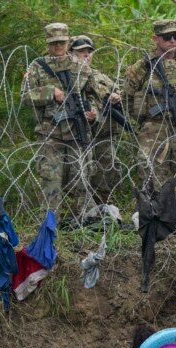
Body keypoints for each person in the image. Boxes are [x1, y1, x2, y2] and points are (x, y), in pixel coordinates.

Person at [21, 23, 101, 217]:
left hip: (77, 131)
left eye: (62, 42)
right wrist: (50, 92)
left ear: (68, 41)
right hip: (51, 133)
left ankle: (83, 222)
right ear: (48, 43)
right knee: (51, 182)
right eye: (54, 43)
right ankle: (49, 226)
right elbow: (25, 96)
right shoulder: (37, 67)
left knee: (81, 178)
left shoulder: (81, 67)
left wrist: (93, 112)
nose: (58, 46)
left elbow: (94, 96)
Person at [123, 20, 176, 199]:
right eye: (167, 37)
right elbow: (127, 96)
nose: (172, 41)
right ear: (155, 38)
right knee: (149, 169)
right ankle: (154, 212)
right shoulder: (143, 66)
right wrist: (141, 117)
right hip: (154, 127)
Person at [69, 35, 127, 205]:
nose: (86, 55)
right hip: (78, 137)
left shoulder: (100, 77)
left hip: (103, 136)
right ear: (71, 53)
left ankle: (102, 211)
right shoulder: (68, 78)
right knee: (80, 176)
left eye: (89, 51)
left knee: (106, 176)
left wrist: (117, 97)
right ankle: (84, 212)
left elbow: (121, 95)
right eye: (81, 52)